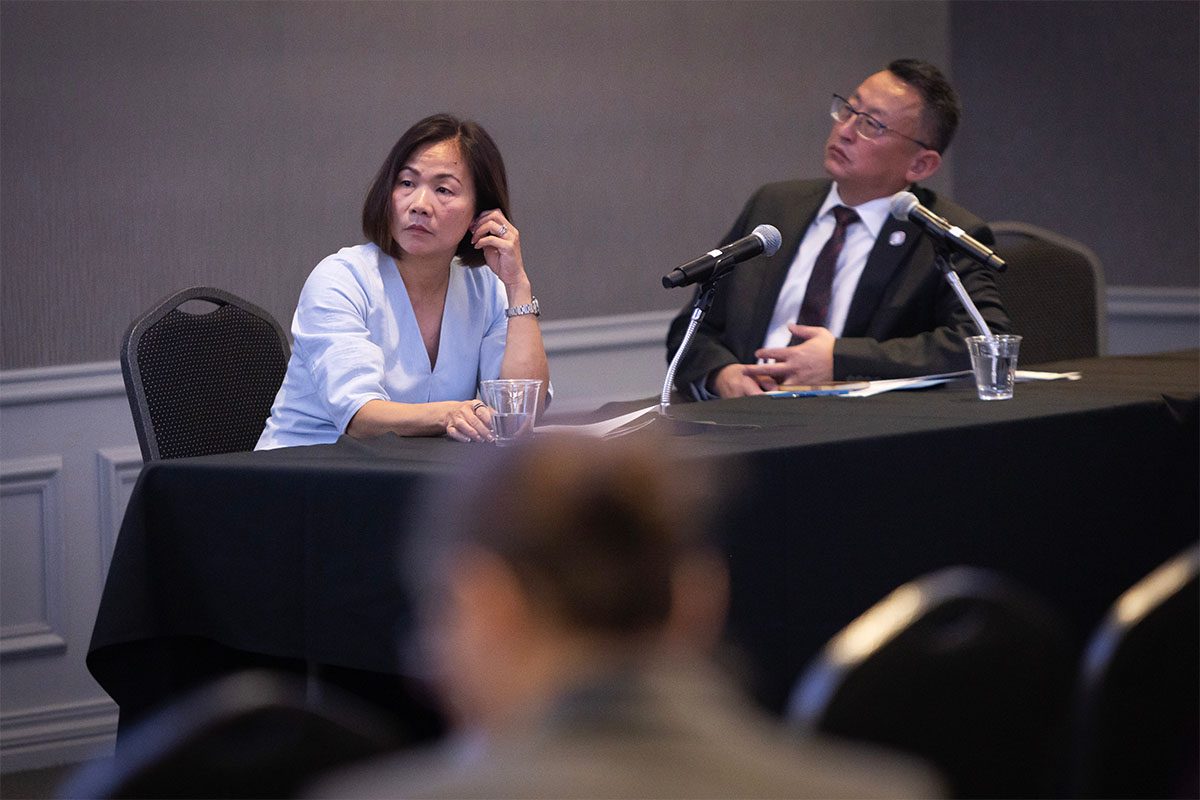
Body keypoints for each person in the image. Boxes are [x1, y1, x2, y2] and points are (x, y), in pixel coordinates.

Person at [309, 435, 944, 799]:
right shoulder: (889, 793)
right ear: (699, 600)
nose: (433, 663)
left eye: (438, 621)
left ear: (487, 603)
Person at [666, 59, 1011, 399]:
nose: (845, 130)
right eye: (848, 110)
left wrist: (840, 360)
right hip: (743, 419)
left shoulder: (944, 234)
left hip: (854, 431)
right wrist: (720, 375)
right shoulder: (775, 206)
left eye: (872, 124)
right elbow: (693, 327)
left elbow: (984, 340)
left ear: (921, 164)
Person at [257, 114, 549, 449]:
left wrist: (516, 285)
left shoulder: (485, 288)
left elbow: (520, 412)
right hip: (299, 476)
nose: (419, 205)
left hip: (402, 477)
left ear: (480, 213)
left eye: (443, 189)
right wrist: (448, 414)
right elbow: (361, 417)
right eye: (407, 183)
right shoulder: (341, 279)